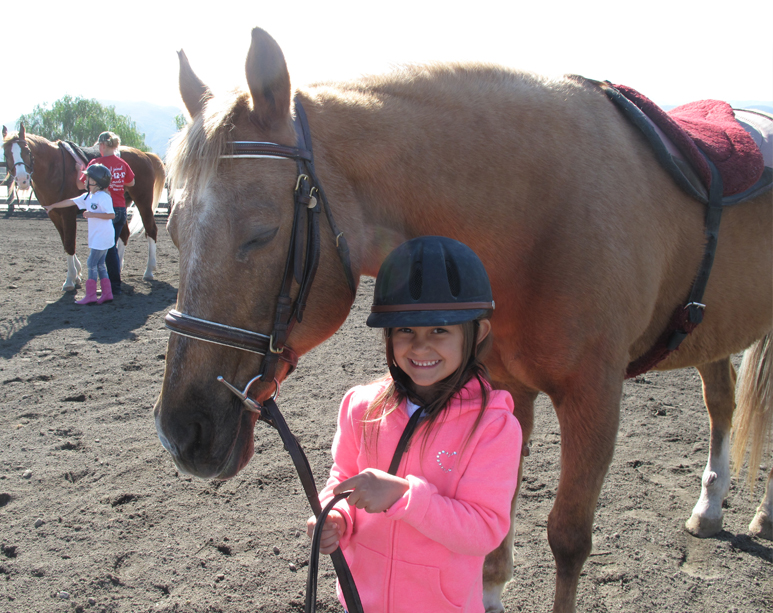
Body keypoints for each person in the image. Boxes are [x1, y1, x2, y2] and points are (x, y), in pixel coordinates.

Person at [307, 236, 522, 612]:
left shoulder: (494, 427)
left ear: (477, 335)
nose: (420, 347)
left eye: (439, 330)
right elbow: (342, 476)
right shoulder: (361, 406)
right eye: (405, 331)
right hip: (360, 601)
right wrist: (335, 515)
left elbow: (485, 530)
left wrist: (404, 497)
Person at [46, 165, 115, 304]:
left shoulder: (103, 197)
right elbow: (70, 201)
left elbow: (111, 215)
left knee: (91, 263)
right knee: (100, 264)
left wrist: (92, 214)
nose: (84, 180)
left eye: (88, 178)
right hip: (98, 236)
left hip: (102, 236)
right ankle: (107, 293)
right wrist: (52, 206)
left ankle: (91, 295)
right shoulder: (88, 196)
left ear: (95, 181)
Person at [78, 131, 135, 295]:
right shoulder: (122, 163)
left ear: (102, 146)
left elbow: (82, 185)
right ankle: (113, 285)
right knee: (111, 247)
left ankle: (113, 286)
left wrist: (78, 171)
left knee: (108, 248)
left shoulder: (96, 163)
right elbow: (131, 182)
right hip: (120, 209)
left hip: (105, 210)